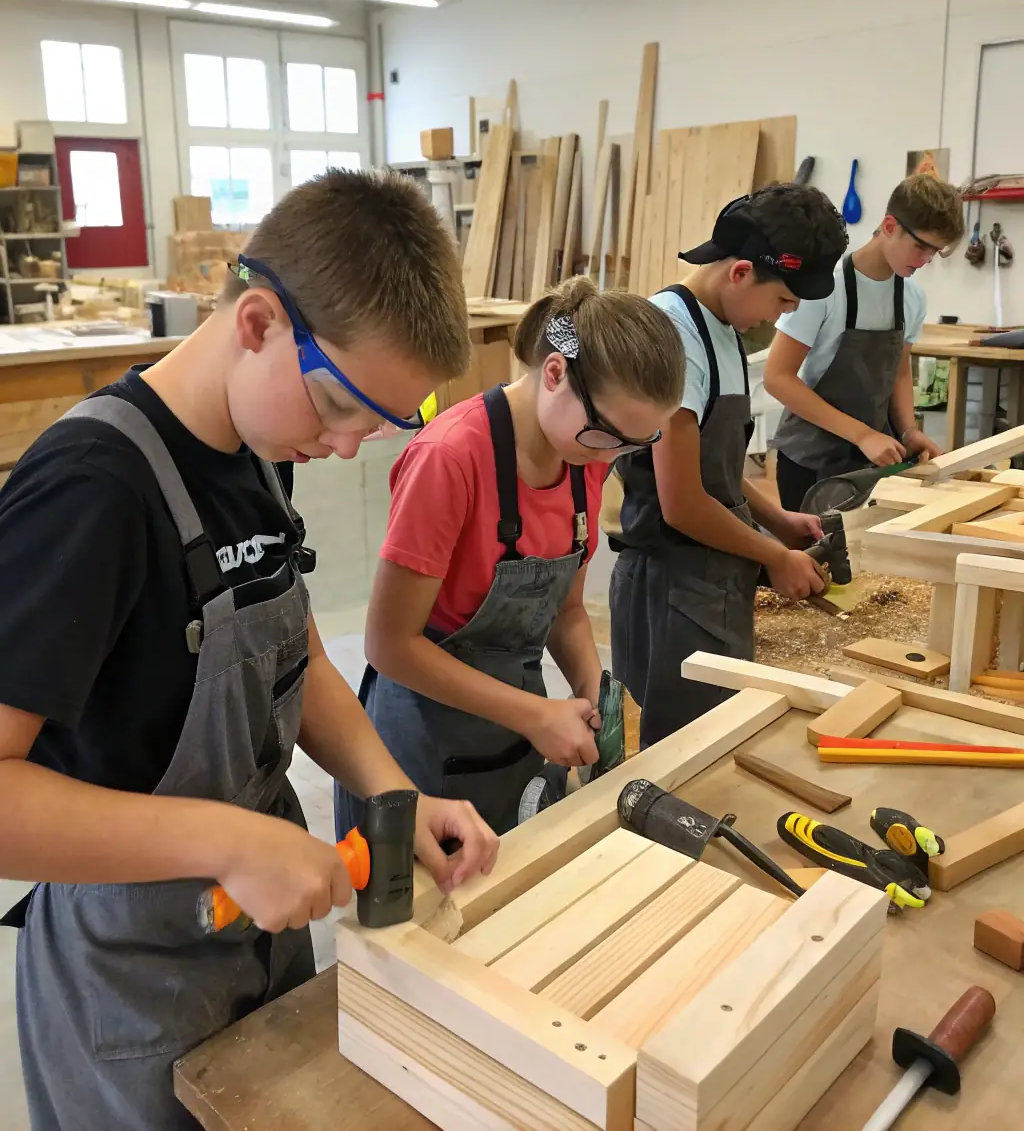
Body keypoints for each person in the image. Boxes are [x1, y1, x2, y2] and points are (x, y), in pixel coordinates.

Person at [0, 170, 499, 1131]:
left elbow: (295, 653)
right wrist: (230, 841)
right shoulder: (91, 490)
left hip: (257, 935)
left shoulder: (259, 451)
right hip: (129, 981)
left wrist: (394, 792)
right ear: (261, 323)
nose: (348, 447)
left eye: (381, 423)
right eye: (339, 404)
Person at [336, 278, 685, 837]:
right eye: (609, 437)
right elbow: (390, 645)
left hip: (513, 732)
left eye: (634, 444)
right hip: (420, 741)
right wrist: (534, 714)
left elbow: (566, 611)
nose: (613, 458)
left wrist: (594, 693)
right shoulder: (449, 459)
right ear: (555, 374)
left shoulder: (584, 457)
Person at [610, 185, 849, 748]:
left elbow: (711, 467)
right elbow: (682, 502)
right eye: (783, 301)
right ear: (741, 273)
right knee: (684, 756)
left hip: (711, 574)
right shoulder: (673, 336)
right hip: (674, 584)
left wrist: (778, 520)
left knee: (717, 742)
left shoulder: (721, 326)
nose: (785, 315)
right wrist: (775, 556)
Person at [765, 173, 965, 512]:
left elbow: (899, 372)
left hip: (868, 460)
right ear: (889, 226)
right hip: (810, 460)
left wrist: (908, 431)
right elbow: (777, 378)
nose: (926, 260)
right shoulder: (825, 287)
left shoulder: (912, 296)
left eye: (935, 251)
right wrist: (861, 434)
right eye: (921, 246)